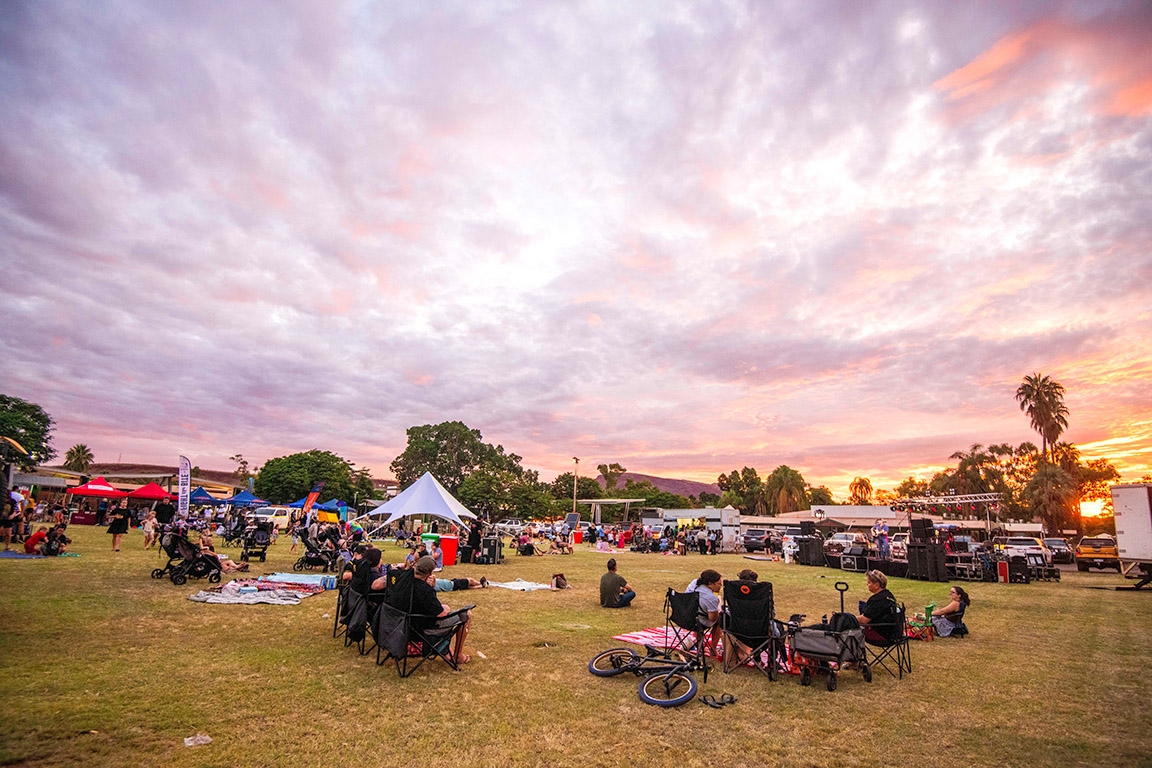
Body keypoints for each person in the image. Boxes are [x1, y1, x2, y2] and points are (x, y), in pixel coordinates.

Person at [405, 556, 472, 663]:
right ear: (430, 573)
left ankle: (446, 650)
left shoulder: (404, 583)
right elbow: (441, 614)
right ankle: (458, 656)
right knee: (466, 614)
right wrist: (446, 608)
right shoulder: (426, 590)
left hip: (404, 627)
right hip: (423, 630)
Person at [857, 570, 899, 645]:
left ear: (876, 585)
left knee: (848, 627)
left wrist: (849, 618)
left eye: (869, 582)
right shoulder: (889, 595)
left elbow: (864, 620)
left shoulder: (877, 600)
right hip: (894, 633)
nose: (867, 584)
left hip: (882, 635)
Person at [691, 569, 723, 655]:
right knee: (721, 620)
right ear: (710, 583)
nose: (720, 586)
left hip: (685, 617)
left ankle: (699, 644)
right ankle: (713, 648)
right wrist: (719, 610)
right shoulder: (711, 597)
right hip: (698, 622)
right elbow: (713, 619)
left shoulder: (694, 584)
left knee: (697, 615)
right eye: (719, 584)